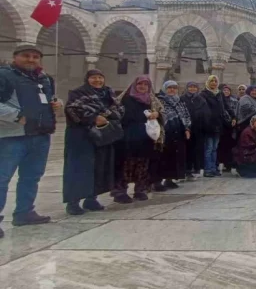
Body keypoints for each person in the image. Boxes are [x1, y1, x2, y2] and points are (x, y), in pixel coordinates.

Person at [0, 45, 61, 236]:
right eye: (26, 56)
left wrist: (57, 104)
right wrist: (16, 115)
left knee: (31, 176)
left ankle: (24, 213)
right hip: (13, 135)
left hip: (40, 134)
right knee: (2, 178)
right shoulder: (4, 76)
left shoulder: (45, 78)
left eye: (35, 56)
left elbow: (48, 100)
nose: (31, 60)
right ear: (15, 57)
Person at [63, 69, 122, 215]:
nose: (97, 80)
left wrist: (106, 115)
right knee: (79, 168)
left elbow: (119, 110)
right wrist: (93, 118)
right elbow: (72, 110)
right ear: (87, 79)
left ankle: (91, 199)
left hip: (102, 135)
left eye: (100, 77)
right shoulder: (78, 93)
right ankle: (73, 202)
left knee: (98, 167)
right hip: (81, 136)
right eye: (93, 78)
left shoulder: (108, 93)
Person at [113, 76, 164, 203]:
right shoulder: (125, 99)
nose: (142, 87)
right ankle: (120, 191)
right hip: (127, 136)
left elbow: (162, 112)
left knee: (143, 163)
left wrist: (157, 115)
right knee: (125, 163)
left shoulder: (151, 100)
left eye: (145, 85)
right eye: (140, 84)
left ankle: (140, 189)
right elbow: (113, 114)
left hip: (145, 136)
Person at [153, 80, 192, 190]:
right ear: (165, 89)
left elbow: (186, 115)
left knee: (174, 157)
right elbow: (159, 114)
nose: (172, 90)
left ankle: (169, 179)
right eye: (170, 88)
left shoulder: (179, 101)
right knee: (162, 157)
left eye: (174, 88)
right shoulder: (159, 100)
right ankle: (157, 181)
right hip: (164, 133)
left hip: (178, 133)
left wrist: (187, 128)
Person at [200, 75, 232, 177]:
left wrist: (233, 116)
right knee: (209, 148)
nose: (213, 83)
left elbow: (226, 106)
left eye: (215, 81)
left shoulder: (219, 94)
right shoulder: (203, 94)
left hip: (218, 124)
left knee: (215, 148)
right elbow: (204, 110)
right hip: (209, 125)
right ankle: (208, 169)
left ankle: (214, 168)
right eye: (211, 81)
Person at [181, 82, 205, 179]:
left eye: (194, 87)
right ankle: (186, 169)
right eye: (190, 87)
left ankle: (195, 168)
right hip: (186, 128)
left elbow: (205, 112)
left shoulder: (201, 99)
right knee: (187, 149)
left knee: (196, 149)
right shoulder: (182, 99)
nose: (192, 89)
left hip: (198, 128)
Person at [217, 84, 238, 173]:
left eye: (227, 90)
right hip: (222, 126)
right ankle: (222, 163)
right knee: (221, 146)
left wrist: (234, 120)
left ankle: (229, 164)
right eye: (224, 90)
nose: (226, 92)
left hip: (231, 126)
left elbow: (235, 112)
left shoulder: (234, 100)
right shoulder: (219, 100)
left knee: (230, 146)